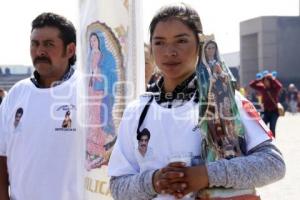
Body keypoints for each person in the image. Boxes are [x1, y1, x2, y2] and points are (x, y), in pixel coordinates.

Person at [108, 3, 285, 200]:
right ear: (151, 49)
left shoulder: (225, 99)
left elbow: (273, 163)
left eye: (181, 41)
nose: (170, 51)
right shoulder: (137, 112)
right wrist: (153, 181)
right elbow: (117, 186)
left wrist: (206, 175)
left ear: (200, 45)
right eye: (159, 42)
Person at [0, 13, 84, 200]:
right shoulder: (16, 94)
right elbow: (1, 156)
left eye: (48, 44)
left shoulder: (89, 92)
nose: (40, 51)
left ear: (70, 50)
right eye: (35, 44)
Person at [249, 72, 283, 137]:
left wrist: (273, 79)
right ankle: (265, 140)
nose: (265, 82)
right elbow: (251, 85)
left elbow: (280, 86)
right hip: (265, 111)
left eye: (267, 81)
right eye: (264, 81)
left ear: (270, 81)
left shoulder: (275, 89)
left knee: (272, 128)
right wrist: (259, 79)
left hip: (274, 112)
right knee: (263, 126)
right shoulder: (262, 88)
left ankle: (272, 141)